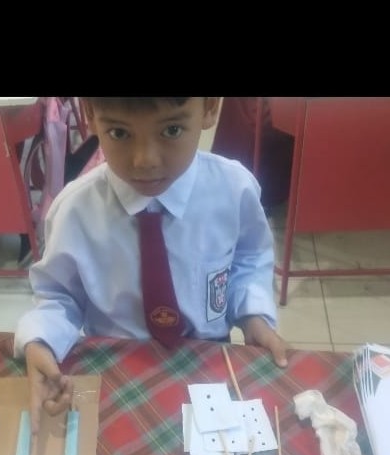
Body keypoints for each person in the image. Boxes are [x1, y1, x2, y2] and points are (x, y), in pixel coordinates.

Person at [14, 97, 288, 435]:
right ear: (91, 116)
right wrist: (42, 340)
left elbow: (248, 259)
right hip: (115, 367)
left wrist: (252, 313)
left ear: (209, 108)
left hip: (209, 362)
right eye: (120, 133)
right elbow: (59, 296)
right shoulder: (74, 210)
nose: (145, 160)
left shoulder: (234, 190)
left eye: (171, 130)